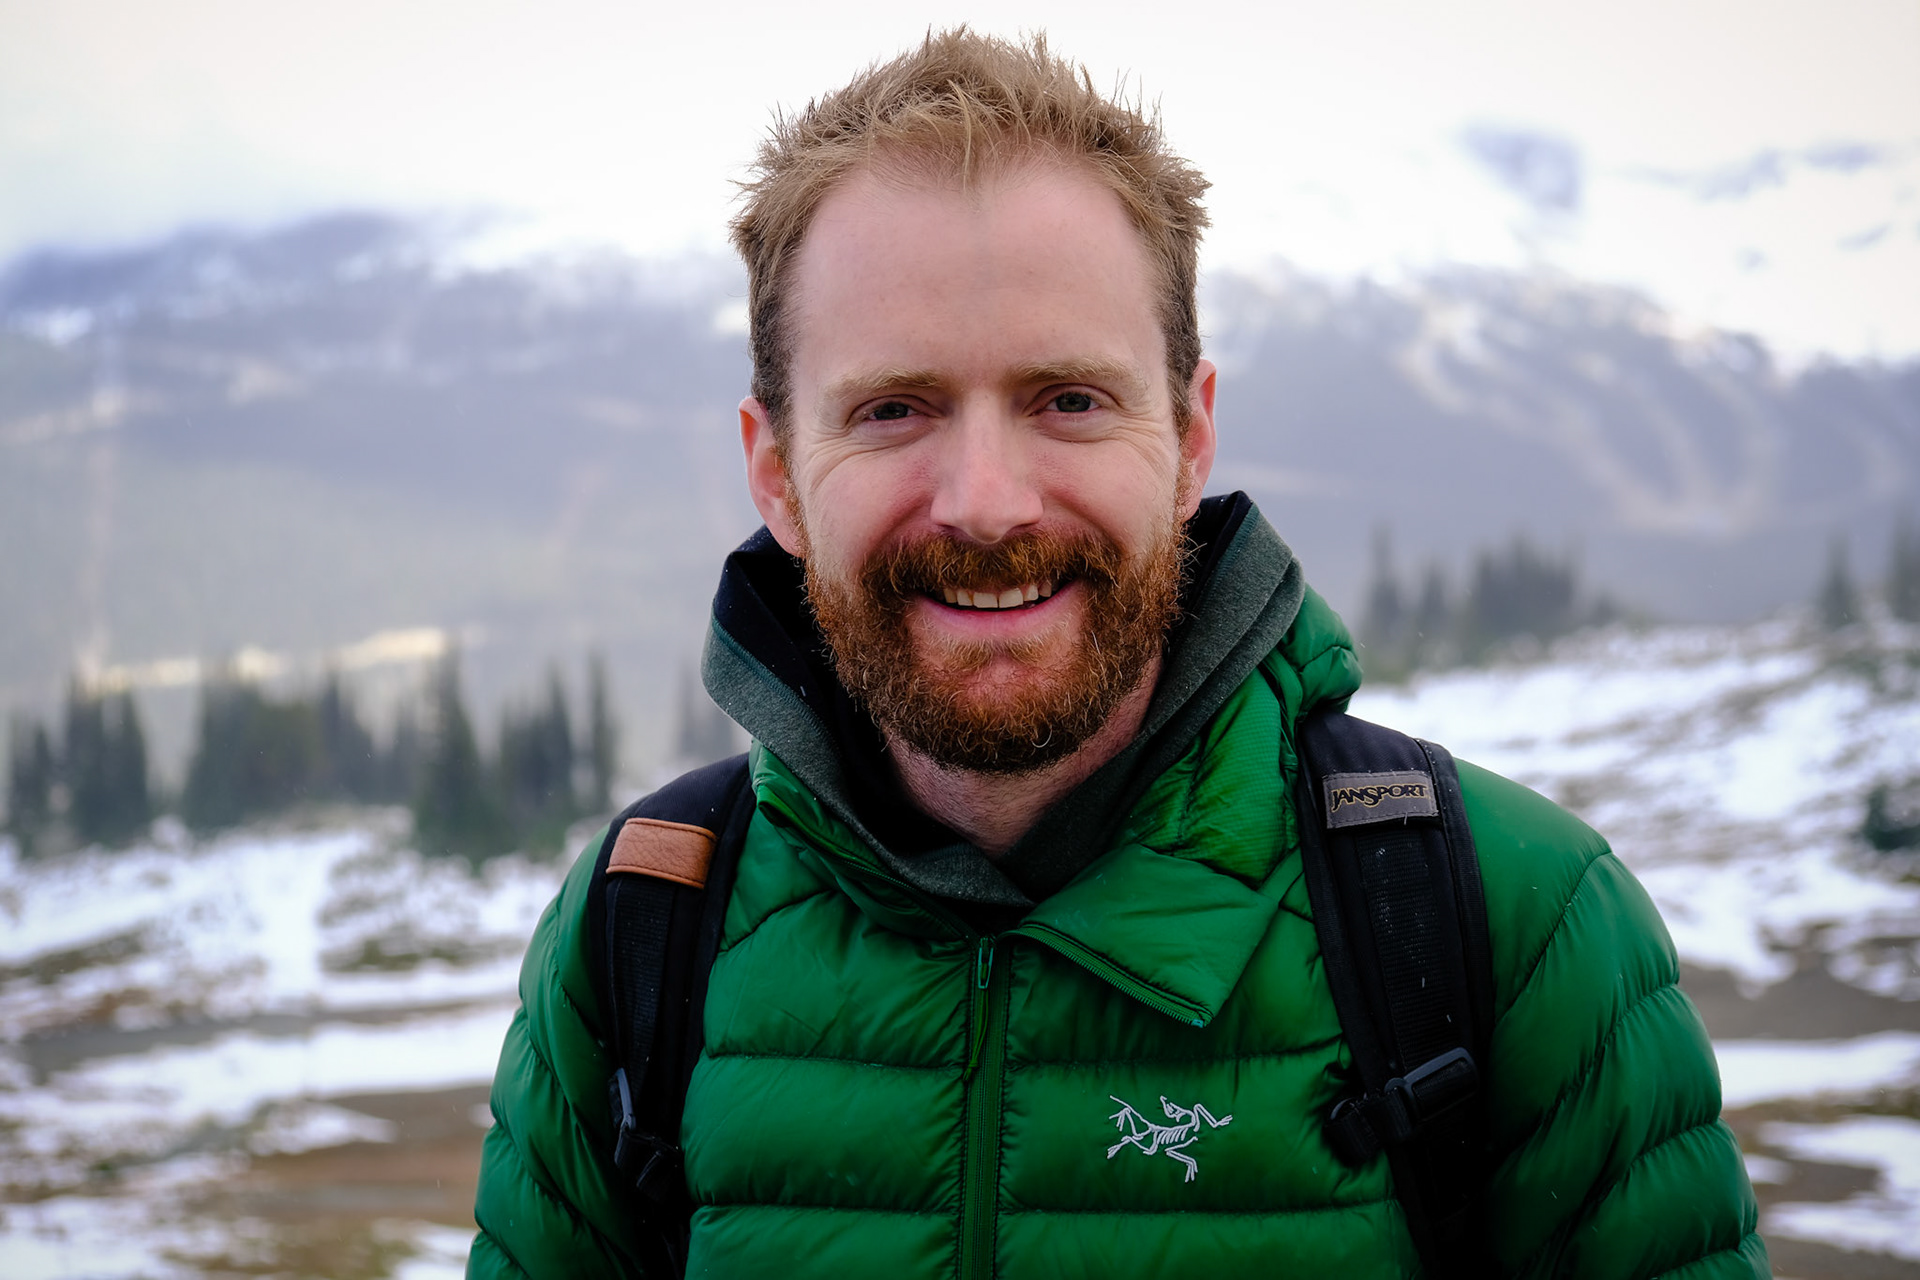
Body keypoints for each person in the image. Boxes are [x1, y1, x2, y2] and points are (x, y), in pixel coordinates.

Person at [470, 30, 1766, 1278]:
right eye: (894, 409)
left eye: (1070, 401)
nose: (987, 503)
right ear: (776, 472)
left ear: (1191, 439)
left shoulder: (1517, 925)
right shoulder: (639, 937)